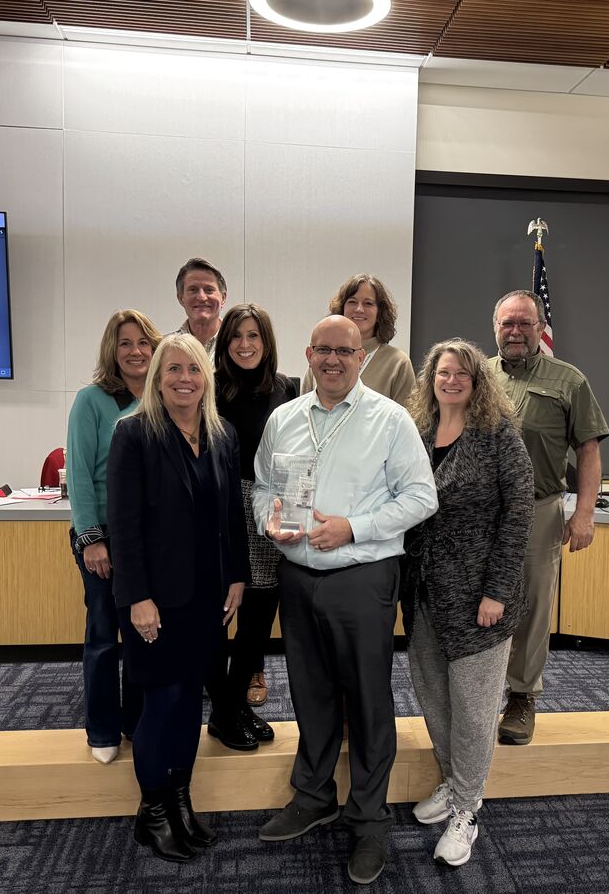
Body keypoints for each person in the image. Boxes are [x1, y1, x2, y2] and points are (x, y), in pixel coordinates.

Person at [253, 315, 437, 885]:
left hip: (362, 575)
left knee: (367, 700)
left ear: (362, 357)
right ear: (309, 354)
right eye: (323, 350)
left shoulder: (390, 419)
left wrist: (354, 528)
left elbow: (421, 497)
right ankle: (313, 796)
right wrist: (271, 522)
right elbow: (261, 487)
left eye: (345, 351)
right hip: (298, 576)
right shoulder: (283, 419)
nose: (333, 360)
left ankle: (368, 817)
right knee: (309, 692)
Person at [107, 333, 249, 862]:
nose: (184, 378)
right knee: (162, 702)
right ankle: (154, 811)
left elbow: (231, 514)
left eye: (193, 369)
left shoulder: (222, 434)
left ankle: (182, 798)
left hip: (208, 596)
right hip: (154, 601)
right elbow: (123, 526)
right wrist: (137, 597)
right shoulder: (133, 435)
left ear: (206, 377)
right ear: (157, 378)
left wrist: (237, 575)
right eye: (173, 370)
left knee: (191, 701)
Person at [402, 339, 533, 867]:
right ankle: (454, 783)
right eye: (442, 372)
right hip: (424, 593)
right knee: (434, 696)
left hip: (480, 597)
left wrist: (497, 592)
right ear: (430, 379)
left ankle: (468, 810)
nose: (451, 380)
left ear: (478, 382)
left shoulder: (499, 437)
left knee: (476, 711)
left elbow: (518, 515)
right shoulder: (416, 433)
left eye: (461, 373)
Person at [490, 290, 609, 746]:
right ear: (495, 327)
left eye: (525, 323)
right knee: (480, 604)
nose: (516, 331)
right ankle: (479, 695)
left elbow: (589, 450)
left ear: (540, 327)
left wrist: (584, 513)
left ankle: (521, 698)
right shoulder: (478, 375)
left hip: (539, 509)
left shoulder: (568, 380)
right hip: (484, 513)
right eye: (508, 324)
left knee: (534, 606)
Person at [66, 309, 161, 764]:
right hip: (102, 536)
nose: (136, 351)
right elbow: (80, 476)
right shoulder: (92, 400)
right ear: (113, 350)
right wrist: (91, 539)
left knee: (146, 637)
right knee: (104, 634)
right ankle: (102, 730)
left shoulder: (167, 396)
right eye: (125, 343)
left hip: (148, 540)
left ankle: (137, 724)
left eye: (143, 342)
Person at [207, 304, 300, 749]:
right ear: (225, 344)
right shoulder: (209, 388)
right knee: (216, 618)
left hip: (267, 506)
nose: (245, 345)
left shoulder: (288, 389)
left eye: (253, 336)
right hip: (219, 507)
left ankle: (233, 707)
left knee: (259, 618)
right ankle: (224, 711)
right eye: (236, 337)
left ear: (267, 342)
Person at [302, 274, 414, 406]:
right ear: (342, 308)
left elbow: (405, 418)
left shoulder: (397, 363)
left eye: (368, 303)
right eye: (352, 302)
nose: (359, 309)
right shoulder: (322, 358)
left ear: (379, 313)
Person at [174, 257, 228, 356]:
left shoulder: (239, 345)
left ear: (223, 298)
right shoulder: (166, 349)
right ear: (181, 298)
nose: (202, 297)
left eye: (209, 290)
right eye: (193, 290)